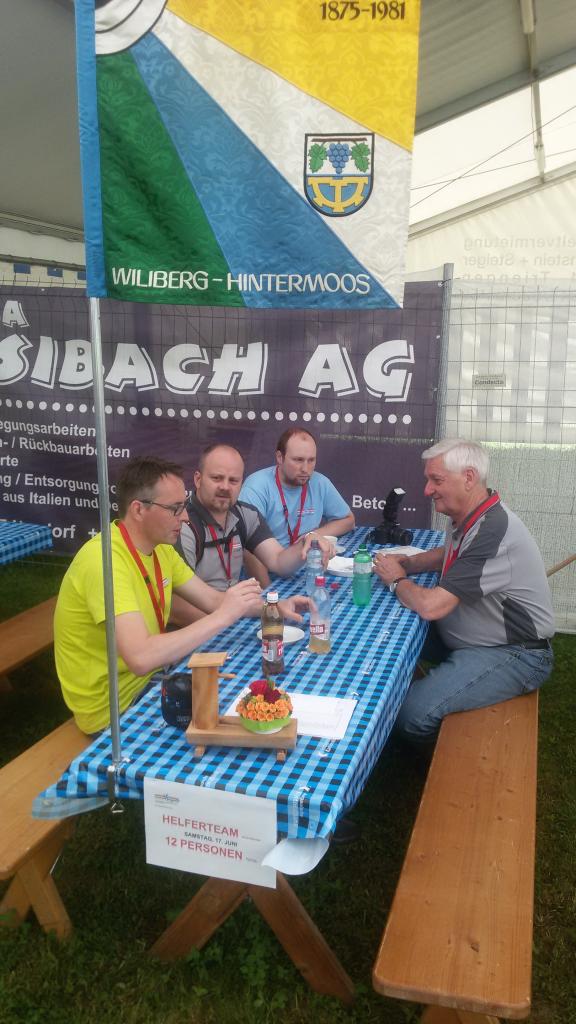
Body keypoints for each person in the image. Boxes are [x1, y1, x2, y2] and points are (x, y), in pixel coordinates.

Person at [54, 456, 308, 735]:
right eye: (175, 509)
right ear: (138, 510)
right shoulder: (104, 562)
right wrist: (223, 617)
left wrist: (273, 607)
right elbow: (140, 657)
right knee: (246, 718)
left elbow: (214, 601)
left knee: (257, 700)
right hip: (115, 708)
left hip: (154, 678)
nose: (185, 517)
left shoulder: (159, 547)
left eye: (184, 506)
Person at [373, 438, 555, 746]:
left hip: (516, 652)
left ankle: (457, 749)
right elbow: (450, 553)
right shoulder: (473, 514)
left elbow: (431, 607)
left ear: (468, 478)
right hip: (472, 636)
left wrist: (396, 579)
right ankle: (435, 686)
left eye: (436, 480)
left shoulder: (493, 530)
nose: (427, 490)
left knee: (409, 715)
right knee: (386, 633)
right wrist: (409, 562)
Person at [175, 443, 333, 605]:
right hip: (205, 616)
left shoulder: (245, 514)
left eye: (233, 480)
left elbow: (278, 561)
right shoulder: (182, 525)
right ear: (198, 479)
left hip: (235, 610)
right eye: (217, 478)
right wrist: (230, 616)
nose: (225, 487)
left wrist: (307, 541)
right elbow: (177, 605)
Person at [239, 427, 354, 585]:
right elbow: (248, 550)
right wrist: (268, 592)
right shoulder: (256, 487)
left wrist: (312, 537)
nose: (305, 469)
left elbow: (348, 520)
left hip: (305, 567)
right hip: (266, 572)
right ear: (280, 457)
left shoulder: (319, 482)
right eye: (298, 460)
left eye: (311, 460)